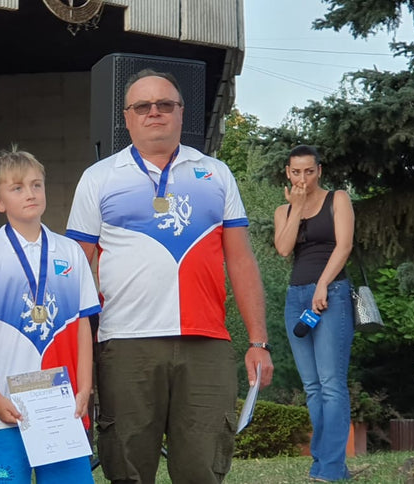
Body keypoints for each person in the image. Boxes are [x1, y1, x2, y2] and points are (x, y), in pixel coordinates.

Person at [65, 68, 274, 484]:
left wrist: (258, 342)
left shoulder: (215, 174)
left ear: (182, 113)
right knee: (127, 467)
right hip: (125, 343)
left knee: (202, 467)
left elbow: (242, 262)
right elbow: (74, 269)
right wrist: (74, 353)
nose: (154, 113)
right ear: (127, 117)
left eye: (166, 105)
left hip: (206, 343)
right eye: (143, 106)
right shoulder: (100, 178)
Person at [0, 148, 100, 484]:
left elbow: (83, 325)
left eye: (36, 185)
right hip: (8, 410)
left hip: (61, 406)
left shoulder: (70, 252)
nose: (30, 193)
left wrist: (84, 388)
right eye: (17, 188)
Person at [273, 145, 355, 482]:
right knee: (312, 387)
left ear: (319, 170)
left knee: (332, 383)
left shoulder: (338, 199)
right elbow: (283, 249)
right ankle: (325, 463)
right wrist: (296, 208)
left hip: (331, 293)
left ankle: (331, 468)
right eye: (296, 172)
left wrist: (323, 284)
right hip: (297, 298)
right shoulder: (284, 209)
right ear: (288, 174)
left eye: (309, 171)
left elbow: (344, 246)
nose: (302, 178)